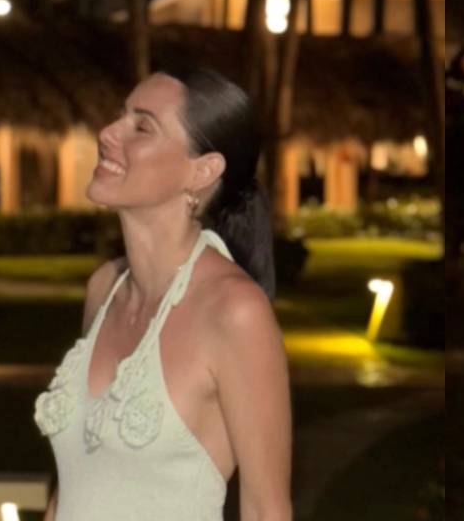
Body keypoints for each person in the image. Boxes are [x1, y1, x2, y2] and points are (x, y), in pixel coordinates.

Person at [33, 66, 291, 520]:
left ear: (202, 170)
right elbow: (76, 481)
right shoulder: (104, 289)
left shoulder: (234, 311)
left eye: (142, 127)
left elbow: (266, 509)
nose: (108, 133)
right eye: (121, 116)